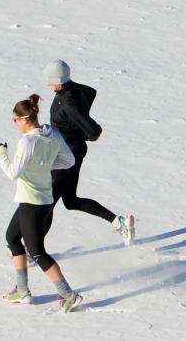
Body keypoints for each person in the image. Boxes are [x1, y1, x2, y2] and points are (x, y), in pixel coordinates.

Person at [0, 94, 83, 313]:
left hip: (32, 202)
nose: (15, 124)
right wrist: (44, 164)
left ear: (25, 119)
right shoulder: (51, 133)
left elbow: (13, 172)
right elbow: (69, 160)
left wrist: (1, 154)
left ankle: (69, 295)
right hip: (39, 199)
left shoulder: (28, 141)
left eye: (15, 120)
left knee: (37, 251)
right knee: (12, 238)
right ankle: (22, 290)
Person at [42, 59, 135, 245]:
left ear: (59, 79)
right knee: (70, 201)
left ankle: (33, 249)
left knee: (46, 204)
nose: (47, 83)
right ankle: (119, 222)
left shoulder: (68, 103)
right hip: (70, 152)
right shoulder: (74, 89)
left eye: (50, 79)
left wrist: (76, 134)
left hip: (67, 156)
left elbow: (94, 132)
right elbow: (91, 92)